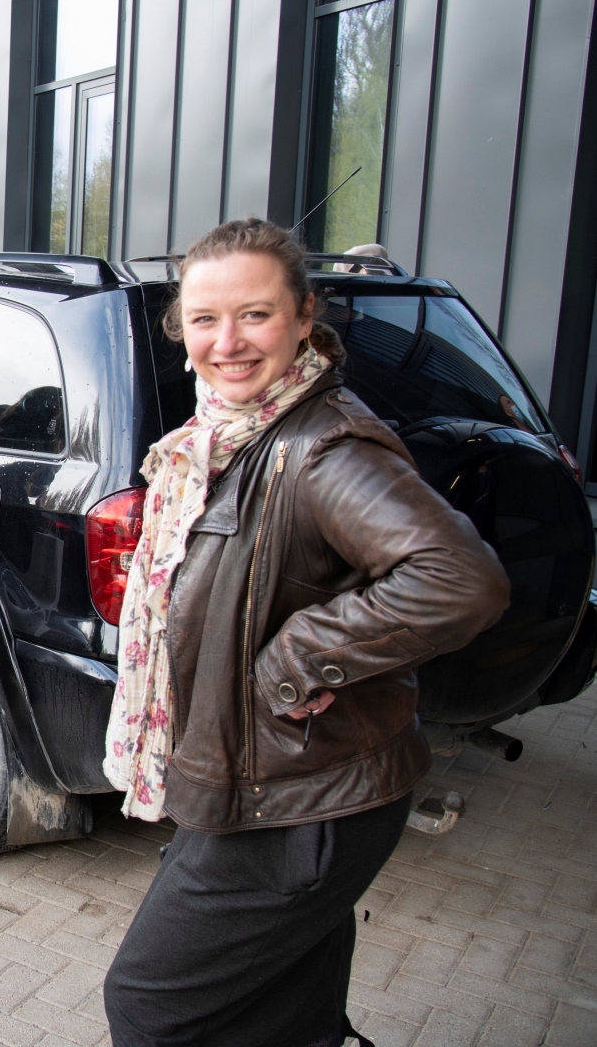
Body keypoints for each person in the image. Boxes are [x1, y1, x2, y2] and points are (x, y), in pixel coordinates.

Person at [99, 219, 511, 1047]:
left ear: (303, 317)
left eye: (255, 314)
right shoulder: (226, 439)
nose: (228, 342)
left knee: (149, 1005)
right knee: (288, 1016)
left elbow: (461, 580)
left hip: (299, 803)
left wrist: (298, 658)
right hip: (269, 781)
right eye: (206, 319)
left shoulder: (321, 448)